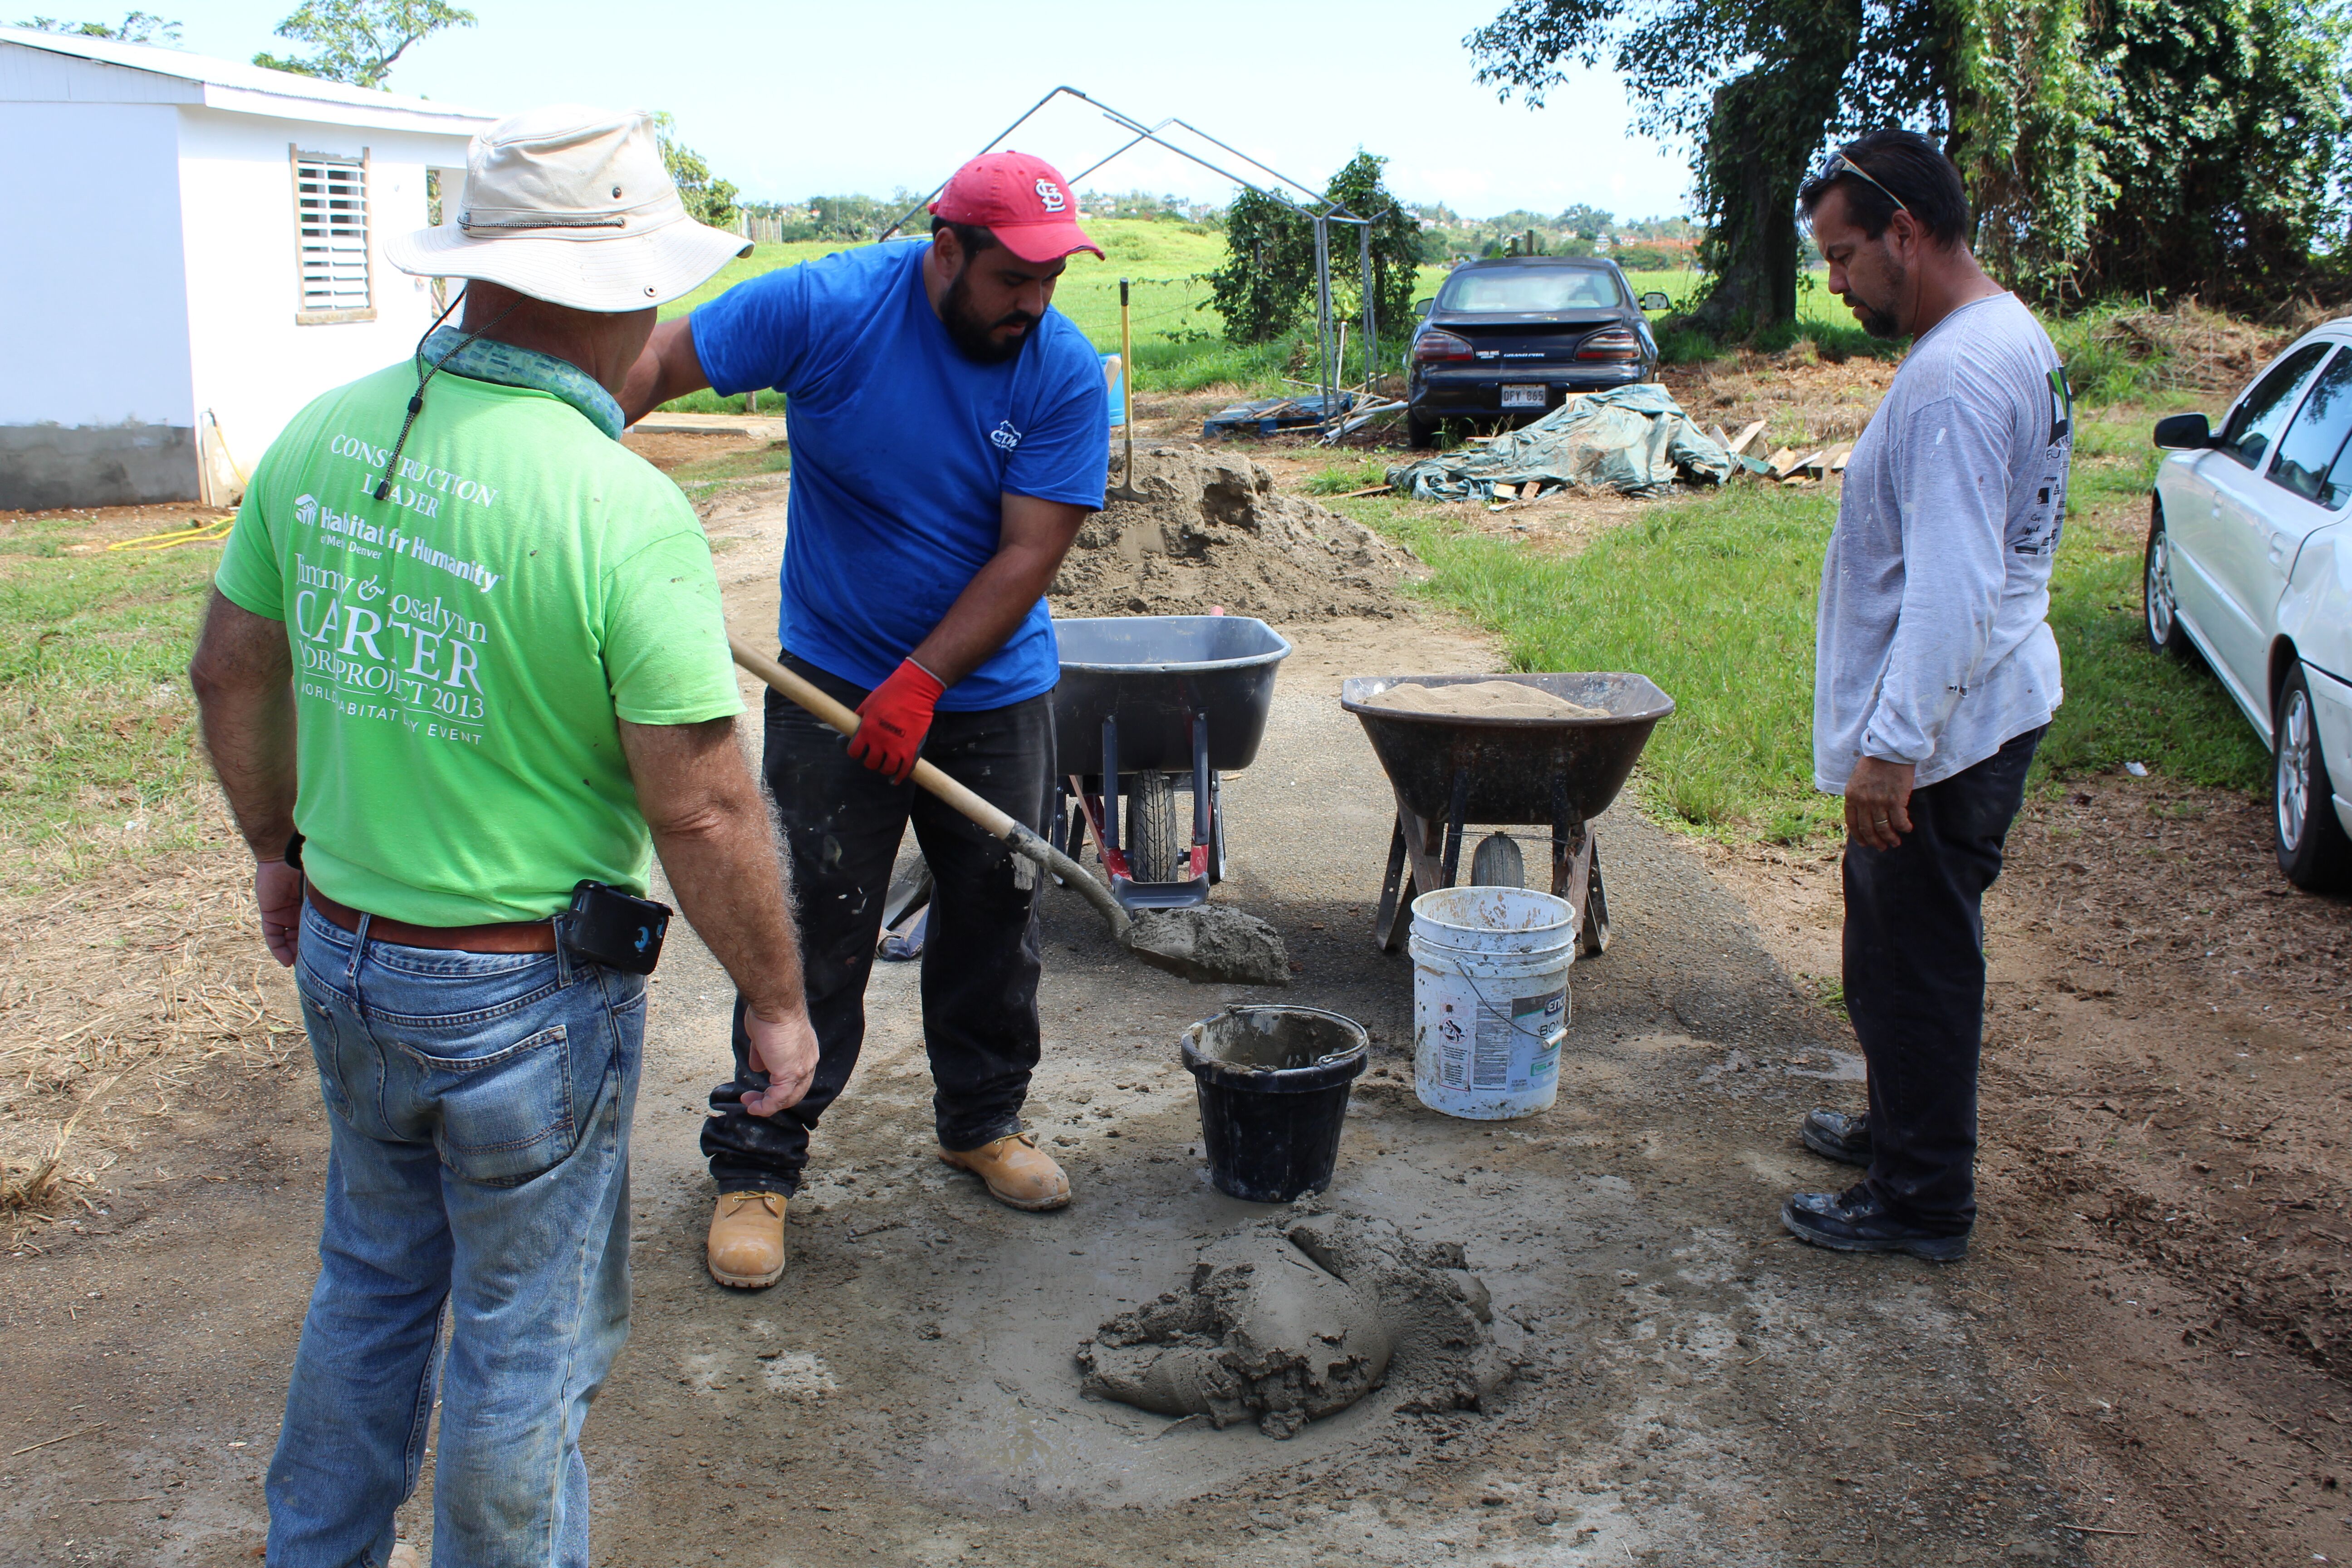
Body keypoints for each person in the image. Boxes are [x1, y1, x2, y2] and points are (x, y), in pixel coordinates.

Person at [189, 105, 821, 1567]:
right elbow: (707, 804)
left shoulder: (322, 436)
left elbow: (231, 669)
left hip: (349, 962)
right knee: (523, 1348)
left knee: (370, 1288)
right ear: (620, 289)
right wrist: (778, 1005)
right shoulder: (620, 510)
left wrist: (281, 852)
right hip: (523, 1001)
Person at [619, 152, 1109, 1290]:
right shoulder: (826, 307)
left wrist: (927, 680)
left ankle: (979, 1122)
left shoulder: (1060, 370)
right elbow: (655, 361)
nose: (1033, 303)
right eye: (1014, 277)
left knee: (994, 922)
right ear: (948, 250)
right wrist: (568, 451)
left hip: (990, 693)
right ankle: (757, 1162)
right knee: (804, 929)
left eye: (1053, 278)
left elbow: (1032, 549)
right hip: (830, 686)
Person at [1782, 130, 2073, 1262]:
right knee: (1889, 950)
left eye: (1846, 255)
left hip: (1947, 736)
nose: (1837, 283)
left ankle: (1921, 1202)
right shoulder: (2006, 337)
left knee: (1918, 967)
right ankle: (1898, 1131)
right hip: (1977, 707)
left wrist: (1891, 747)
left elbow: (1957, 585)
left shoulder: (1955, 376)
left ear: (1906, 230)